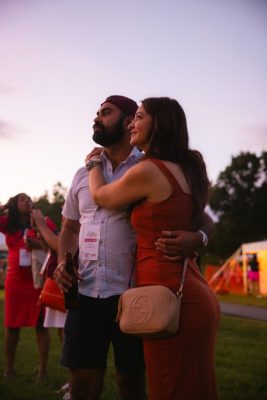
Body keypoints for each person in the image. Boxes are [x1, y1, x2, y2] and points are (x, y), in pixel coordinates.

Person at [53, 95, 214, 400]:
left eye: (105, 112)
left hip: (134, 295)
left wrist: (200, 238)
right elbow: (69, 228)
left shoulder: (149, 166)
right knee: (83, 385)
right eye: (97, 112)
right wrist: (64, 261)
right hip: (84, 294)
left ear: (128, 123)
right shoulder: (80, 175)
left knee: (132, 384)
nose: (96, 118)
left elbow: (202, 216)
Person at [0, 193, 50, 381]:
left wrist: (38, 242)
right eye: (22, 199)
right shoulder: (8, 223)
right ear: (14, 204)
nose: (27, 201)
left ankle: (42, 371)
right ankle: (9, 369)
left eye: (29, 199)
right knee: (12, 327)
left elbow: (54, 241)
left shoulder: (41, 220)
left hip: (36, 281)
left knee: (40, 325)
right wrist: (5, 205)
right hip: (15, 281)